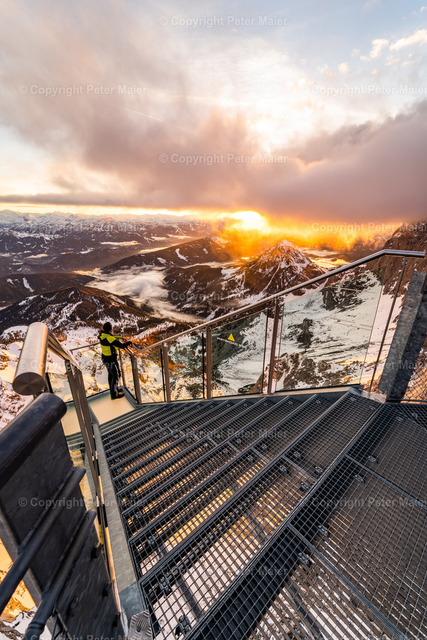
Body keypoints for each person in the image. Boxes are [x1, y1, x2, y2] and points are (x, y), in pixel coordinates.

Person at [98, 322, 132, 399]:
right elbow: (121, 346)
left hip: (106, 358)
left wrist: (120, 337)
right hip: (110, 359)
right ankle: (114, 394)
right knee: (116, 375)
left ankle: (113, 389)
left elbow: (112, 337)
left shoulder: (102, 335)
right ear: (110, 329)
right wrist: (129, 342)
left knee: (111, 375)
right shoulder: (109, 338)